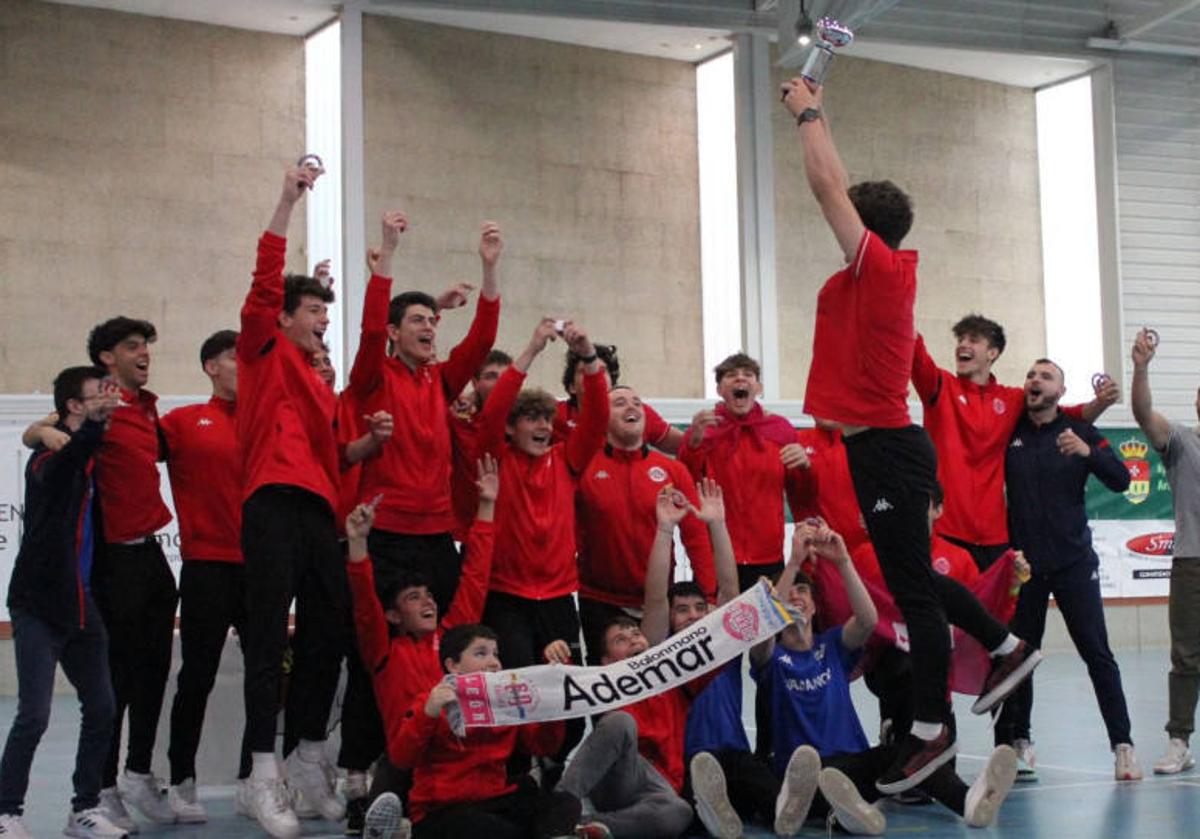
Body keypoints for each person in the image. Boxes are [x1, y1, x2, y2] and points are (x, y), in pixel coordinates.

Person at [780, 76, 1041, 793]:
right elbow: (838, 189)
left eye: (847, 220)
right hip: (873, 451)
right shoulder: (863, 280)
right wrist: (820, 111)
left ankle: (929, 731)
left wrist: (808, 113)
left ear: (865, 230)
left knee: (916, 596)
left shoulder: (884, 271)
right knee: (916, 579)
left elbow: (828, 190)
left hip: (891, 449)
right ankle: (1008, 643)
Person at [751, 520, 1018, 833]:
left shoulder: (832, 645)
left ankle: (969, 802)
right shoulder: (769, 657)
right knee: (818, 779)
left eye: (803, 590)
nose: (796, 596)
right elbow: (764, 630)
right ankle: (844, 814)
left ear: (813, 606)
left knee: (912, 757)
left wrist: (843, 561)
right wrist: (794, 562)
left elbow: (867, 620)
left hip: (854, 764)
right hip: (803, 773)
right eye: (789, 591)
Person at [235, 162, 347, 837]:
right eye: (312, 311)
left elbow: (331, 453)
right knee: (268, 635)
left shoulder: (316, 380)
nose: (321, 323)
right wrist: (287, 198)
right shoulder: (262, 349)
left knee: (330, 629)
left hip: (317, 510)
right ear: (282, 316)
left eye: (325, 314)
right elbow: (264, 278)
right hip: (271, 502)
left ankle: (309, 753)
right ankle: (260, 772)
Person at [555, 481, 738, 838]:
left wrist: (716, 525)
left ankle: (591, 830)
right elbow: (656, 598)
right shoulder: (607, 681)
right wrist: (665, 529)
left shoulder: (674, 675)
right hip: (618, 772)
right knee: (622, 723)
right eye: (622, 640)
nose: (637, 639)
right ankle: (561, 807)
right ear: (606, 661)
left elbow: (729, 598)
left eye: (636, 633)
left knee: (678, 813)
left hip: (660, 785)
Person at [347, 211, 502, 614]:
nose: (430, 327)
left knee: (447, 639)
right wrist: (389, 254)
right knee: (379, 641)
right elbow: (371, 329)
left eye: (433, 320)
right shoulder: (372, 376)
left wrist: (489, 268)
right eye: (418, 320)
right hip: (384, 530)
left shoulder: (443, 379)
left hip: (436, 532)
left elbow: (483, 338)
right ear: (394, 333)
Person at [998, 358, 1141, 780]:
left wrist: (1087, 454)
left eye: (1045, 376)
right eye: (1030, 375)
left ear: (1061, 392)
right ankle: (1020, 742)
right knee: (1021, 657)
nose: (1034, 381)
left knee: (1097, 654)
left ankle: (1123, 746)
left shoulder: (1081, 432)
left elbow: (1121, 480)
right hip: (1025, 568)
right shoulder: (1012, 433)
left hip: (1074, 564)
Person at [0, 367, 125, 839]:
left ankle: (84, 808)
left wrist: (88, 423)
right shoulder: (45, 462)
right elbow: (71, 458)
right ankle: (6, 810)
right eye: (97, 396)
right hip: (37, 604)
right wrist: (83, 426)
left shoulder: (84, 448)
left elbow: (84, 447)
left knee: (102, 707)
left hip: (80, 603)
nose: (106, 401)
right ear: (74, 406)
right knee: (34, 714)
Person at [344, 456, 497, 810]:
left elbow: (475, 576)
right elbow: (365, 601)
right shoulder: (382, 651)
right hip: (406, 760)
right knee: (386, 791)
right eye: (414, 598)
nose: (427, 602)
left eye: (429, 596)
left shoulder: (453, 636)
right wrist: (357, 543)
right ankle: (385, 815)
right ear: (394, 614)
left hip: (455, 759)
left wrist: (487, 505)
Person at [911, 314, 1116, 570]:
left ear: (992, 353)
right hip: (947, 532)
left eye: (973, 339)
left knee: (997, 611)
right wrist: (900, 308)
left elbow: (1067, 414)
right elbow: (913, 352)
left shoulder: (1011, 400)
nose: (963, 344)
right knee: (948, 610)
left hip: (996, 539)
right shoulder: (940, 386)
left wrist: (1102, 402)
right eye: (960, 339)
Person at [85, 316, 179, 828]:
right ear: (107, 357)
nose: (144, 352)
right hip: (112, 560)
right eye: (132, 346)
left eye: (147, 345)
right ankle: (100, 788)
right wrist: (40, 431)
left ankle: (138, 774)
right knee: (115, 679)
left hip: (151, 557)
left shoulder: (145, 409)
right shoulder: (96, 406)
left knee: (154, 671)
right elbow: (50, 432)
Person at [158, 329, 244, 823]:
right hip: (208, 566)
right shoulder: (184, 422)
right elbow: (126, 444)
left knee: (267, 678)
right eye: (235, 358)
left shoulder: (269, 420)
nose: (245, 366)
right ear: (212, 366)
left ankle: (260, 779)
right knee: (197, 677)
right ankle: (181, 778)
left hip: (264, 569)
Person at [389, 624, 581, 838]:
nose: (494, 663)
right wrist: (428, 714)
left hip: (495, 800)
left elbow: (544, 746)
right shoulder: (431, 701)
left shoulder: (506, 703)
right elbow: (401, 759)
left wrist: (550, 709)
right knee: (495, 830)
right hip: (441, 809)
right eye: (481, 654)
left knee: (564, 803)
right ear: (453, 665)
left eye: (496, 654)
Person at [575, 384, 717, 662]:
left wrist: (709, 596)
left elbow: (696, 537)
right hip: (599, 601)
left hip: (658, 602)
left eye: (637, 402)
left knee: (660, 693)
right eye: (619, 403)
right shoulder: (582, 466)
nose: (631, 407)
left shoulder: (673, 470)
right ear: (602, 418)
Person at [1130, 327, 1200, 775]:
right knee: (1187, 656)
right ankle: (1179, 741)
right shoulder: (1180, 441)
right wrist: (1140, 368)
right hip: (1192, 562)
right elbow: (1142, 413)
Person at [679, 352, 810, 590]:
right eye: (731, 375)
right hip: (716, 551)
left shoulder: (780, 429)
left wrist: (805, 466)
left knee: (766, 624)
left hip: (768, 553)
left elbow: (800, 491)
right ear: (719, 389)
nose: (740, 379)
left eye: (747, 374)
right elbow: (686, 484)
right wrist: (693, 445)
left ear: (758, 387)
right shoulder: (704, 429)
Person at [554, 342, 684, 454]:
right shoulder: (555, 414)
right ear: (571, 387)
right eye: (585, 371)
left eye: (602, 371)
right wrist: (534, 348)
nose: (594, 376)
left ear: (612, 383)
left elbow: (685, 445)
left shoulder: (635, 412)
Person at [449, 350, 512, 541]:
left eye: (506, 377)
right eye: (491, 376)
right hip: (470, 533)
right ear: (475, 383)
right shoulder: (459, 421)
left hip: (515, 536)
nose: (500, 382)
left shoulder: (530, 425)